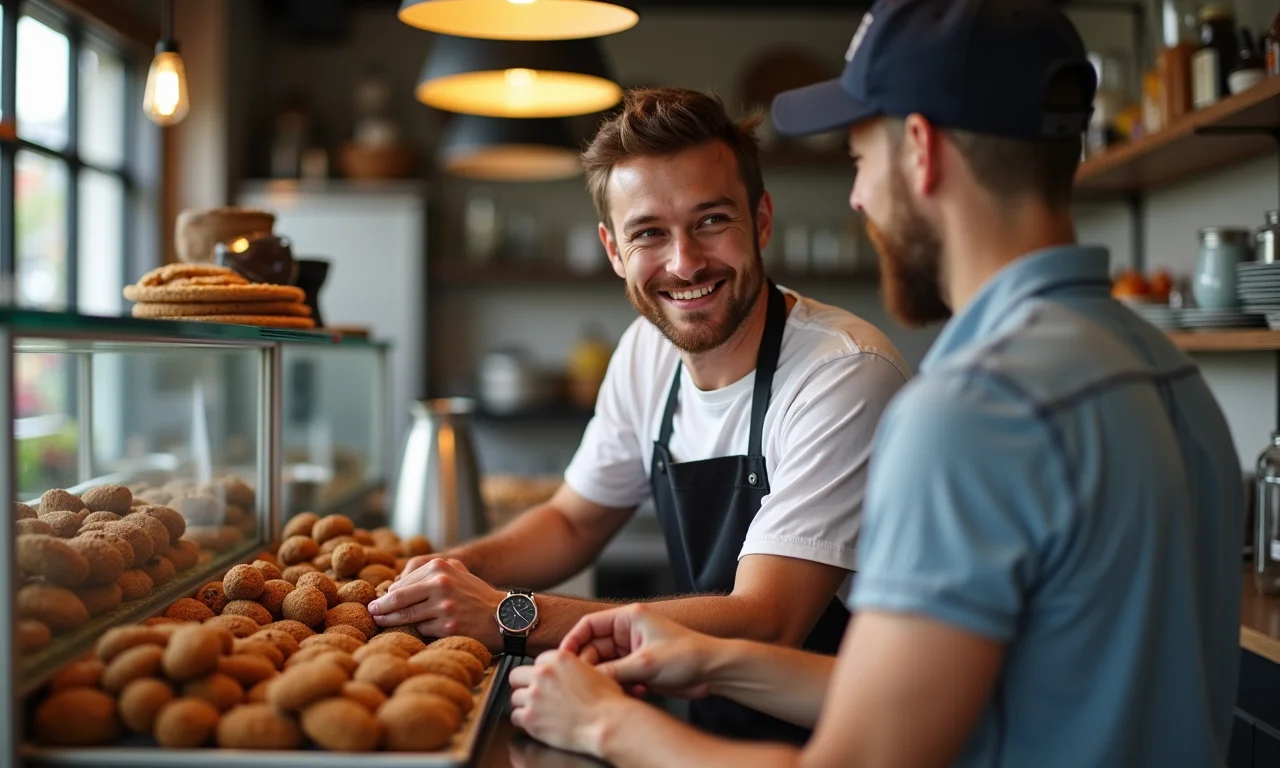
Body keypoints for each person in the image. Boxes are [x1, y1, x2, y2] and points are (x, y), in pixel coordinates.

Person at [505, 1, 1245, 766]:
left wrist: (604, 725)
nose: (858, 198)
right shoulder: (1171, 371)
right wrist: (710, 657)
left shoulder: (974, 411)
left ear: (919, 151)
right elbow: (1006, 689)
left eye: (860, 160)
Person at [369, 87, 910, 743]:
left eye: (712, 221)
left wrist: (512, 614)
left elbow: (769, 619)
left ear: (761, 220)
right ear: (613, 250)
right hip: (714, 732)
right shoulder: (647, 350)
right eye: (650, 233)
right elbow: (573, 522)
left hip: (858, 740)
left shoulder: (842, 374)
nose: (684, 263)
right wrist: (448, 571)